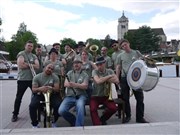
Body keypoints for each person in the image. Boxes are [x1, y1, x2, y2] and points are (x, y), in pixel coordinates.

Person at [115, 39, 149, 123]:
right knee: (125, 98)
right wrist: (117, 77)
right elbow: (118, 67)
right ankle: (128, 116)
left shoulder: (136, 52)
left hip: (136, 78)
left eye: (125, 45)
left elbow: (142, 62)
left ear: (129, 44)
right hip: (124, 78)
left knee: (139, 98)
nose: (124, 47)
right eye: (122, 46)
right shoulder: (120, 56)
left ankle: (140, 118)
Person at [11, 40, 39, 122]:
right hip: (22, 79)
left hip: (32, 79)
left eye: (31, 46)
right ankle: (15, 114)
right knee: (19, 98)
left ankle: (38, 111)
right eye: (28, 45)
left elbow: (37, 66)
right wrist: (31, 65)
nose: (30, 47)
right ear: (25, 46)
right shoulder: (21, 54)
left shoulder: (34, 56)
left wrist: (26, 63)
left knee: (37, 96)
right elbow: (20, 65)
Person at [58, 57, 89, 127]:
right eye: (75, 63)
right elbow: (65, 84)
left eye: (78, 63)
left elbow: (85, 86)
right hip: (69, 96)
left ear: (81, 64)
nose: (76, 64)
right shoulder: (69, 73)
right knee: (61, 110)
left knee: (80, 107)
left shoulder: (85, 75)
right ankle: (74, 120)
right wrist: (79, 85)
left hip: (81, 96)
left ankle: (79, 126)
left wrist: (74, 84)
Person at [29, 63, 61, 128]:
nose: (50, 70)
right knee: (32, 106)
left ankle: (54, 121)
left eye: (52, 69)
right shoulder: (37, 77)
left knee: (58, 105)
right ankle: (35, 124)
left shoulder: (55, 77)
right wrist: (40, 88)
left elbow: (57, 89)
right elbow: (33, 89)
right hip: (40, 94)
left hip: (52, 94)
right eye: (48, 67)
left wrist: (51, 88)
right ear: (44, 68)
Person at [90, 56, 119, 125]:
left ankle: (102, 119)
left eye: (101, 64)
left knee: (113, 109)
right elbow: (98, 81)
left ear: (104, 63)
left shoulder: (110, 71)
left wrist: (102, 78)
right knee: (93, 109)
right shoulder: (94, 71)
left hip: (106, 96)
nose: (99, 66)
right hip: (95, 96)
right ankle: (97, 124)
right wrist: (109, 76)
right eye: (97, 65)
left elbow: (116, 80)